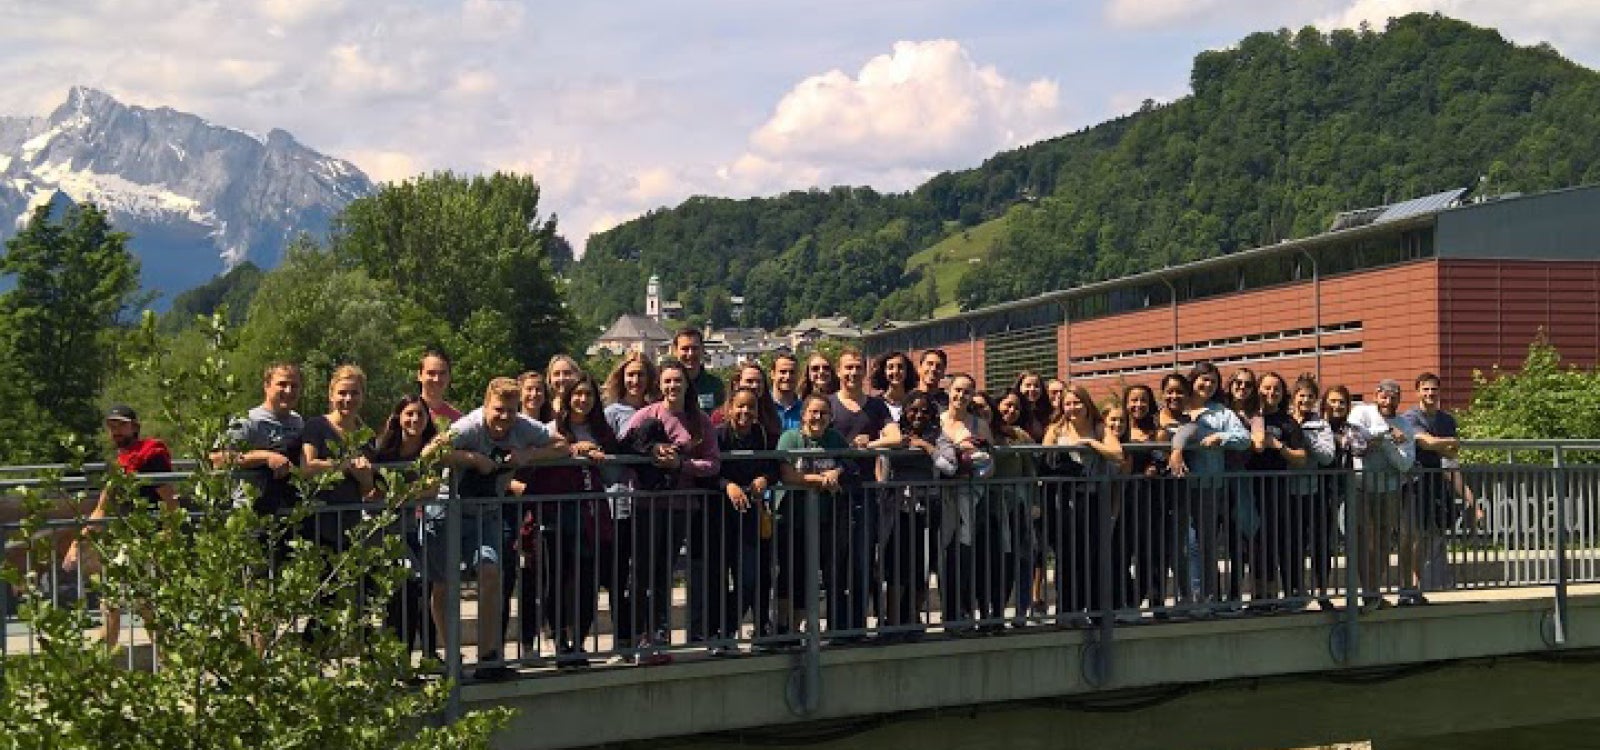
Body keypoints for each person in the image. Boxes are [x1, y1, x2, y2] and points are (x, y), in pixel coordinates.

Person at [435, 377, 567, 680]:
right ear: (485, 406)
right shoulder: (468, 427)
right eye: (498, 410)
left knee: (491, 573)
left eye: (510, 410)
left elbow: (562, 446)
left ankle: (488, 658)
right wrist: (472, 459)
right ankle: (451, 656)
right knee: (443, 585)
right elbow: (431, 453)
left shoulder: (522, 426)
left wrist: (528, 455)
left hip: (487, 514)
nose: (504, 417)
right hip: (450, 511)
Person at [622, 361, 721, 663]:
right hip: (646, 504)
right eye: (667, 381)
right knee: (641, 572)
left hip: (680, 506)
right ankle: (637, 635)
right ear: (659, 385)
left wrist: (682, 465)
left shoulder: (699, 420)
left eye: (678, 380)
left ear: (687, 385)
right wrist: (650, 454)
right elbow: (623, 448)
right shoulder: (646, 415)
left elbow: (712, 463)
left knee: (664, 572)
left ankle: (659, 635)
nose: (672, 386)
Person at [63, 405, 178, 647]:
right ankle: (163, 660)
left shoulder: (150, 457)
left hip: (149, 540)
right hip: (132, 541)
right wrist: (76, 544)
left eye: (121, 425)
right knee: (137, 606)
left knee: (118, 602)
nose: (115, 431)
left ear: (135, 427)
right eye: (112, 426)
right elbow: (100, 510)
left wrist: (168, 538)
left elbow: (170, 502)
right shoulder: (120, 463)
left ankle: (108, 658)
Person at [534, 373, 619, 667]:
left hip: (592, 515)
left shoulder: (602, 432)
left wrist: (599, 456)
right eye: (577, 394)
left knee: (587, 582)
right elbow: (536, 462)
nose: (583, 400)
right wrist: (571, 450)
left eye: (589, 395)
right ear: (567, 398)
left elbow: (614, 474)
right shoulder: (550, 429)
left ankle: (579, 642)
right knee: (558, 580)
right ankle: (560, 642)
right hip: (557, 515)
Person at [1166, 363, 1250, 613]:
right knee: (1181, 546)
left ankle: (1206, 598)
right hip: (1176, 489)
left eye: (1213, 381)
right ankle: (1189, 597)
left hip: (1208, 487)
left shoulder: (1221, 413)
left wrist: (1221, 437)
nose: (1208, 385)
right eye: (1204, 379)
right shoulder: (1178, 406)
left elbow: (1244, 438)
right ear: (1192, 380)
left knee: (1202, 544)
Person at [1042, 385, 1123, 622]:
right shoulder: (1056, 429)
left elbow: (1117, 453)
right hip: (1064, 501)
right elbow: (1043, 457)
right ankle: (1068, 611)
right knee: (1067, 558)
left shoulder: (1099, 428)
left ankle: (1096, 610)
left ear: (1087, 404)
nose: (1072, 407)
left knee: (1094, 556)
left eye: (1077, 402)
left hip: (1093, 499)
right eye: (1068, 403)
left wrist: (1090, 443)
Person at [773, 395, 851, 639]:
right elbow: (788, 475)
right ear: (804, 414)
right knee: (791, 574)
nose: (818, 417)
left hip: (826, 519)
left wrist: (837, 472)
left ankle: (806, 628)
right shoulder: (790, 438)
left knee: (821, 575)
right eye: (813, 412)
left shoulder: (835, 438)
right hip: (792, 518)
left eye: (823, 413)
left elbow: (848, 463)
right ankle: (785, 627)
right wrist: (821, 480)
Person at [369, 395, 441, 654]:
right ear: (398, 417)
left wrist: (399, 494)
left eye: (420, 414)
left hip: (412, 527)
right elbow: (374, 491)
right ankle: (396, 657)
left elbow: (431, 489)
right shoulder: (383, 449)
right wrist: (408, 493)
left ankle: (423, 654)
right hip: (382, 528)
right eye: (409, 413)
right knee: (401, 591)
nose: (415, 419)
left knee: (421, 588)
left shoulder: (432, 449)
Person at [599, 351, 659, 652]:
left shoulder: (656, 409)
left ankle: (645, 633)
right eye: (630, 375)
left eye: (641, 375)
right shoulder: (611, 413)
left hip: (650, 502)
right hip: (620, 501)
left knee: (646, 573)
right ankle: (623, 637)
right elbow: (607, 458)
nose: (635, 380)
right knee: (619, 573)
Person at [713, 388, 781, 652]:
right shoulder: (718, 435)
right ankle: (721, 633)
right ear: (729, 408)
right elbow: (707, 471)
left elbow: (774, 467)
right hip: (720, 517)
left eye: (750, 407)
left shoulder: (763, 436)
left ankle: (746, 630)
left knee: (753, 577)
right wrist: (727, 485)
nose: (745, 412)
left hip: (752, 516)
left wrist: (765, 478)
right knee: (724, 578)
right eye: (740, 406)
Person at [874, 391, 940, 639]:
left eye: (924, 410)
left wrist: (925, 446)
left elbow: (946, 461)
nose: (919, 415)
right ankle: (892, 620)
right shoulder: (894, 435)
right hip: (895, 506)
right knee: (895, 566)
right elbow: (881, 462)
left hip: (926, 507)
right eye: (913, 409)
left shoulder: (936, 436)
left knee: (921, 566)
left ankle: (913, 616)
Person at [1347, 379, 1417, 609]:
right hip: (1360, 487)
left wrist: (1384, 444)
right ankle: (1368, 592)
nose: (1388, 401)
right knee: (1364, 542)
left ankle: (1373, 591)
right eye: (1384, 396)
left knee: (1384, 543)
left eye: (1393, 397)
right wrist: (1386, 433)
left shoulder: (1405, 425)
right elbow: (1357, 443)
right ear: (1376, 395)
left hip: (1389, 489)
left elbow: (1405, 463)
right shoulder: (1361, 412)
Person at [932, 372, 995, 630]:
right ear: (949, 391)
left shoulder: (979, 424)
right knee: (944, 557)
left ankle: (965, 612)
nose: (961, 395)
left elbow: (990, 464)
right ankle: (949, 613)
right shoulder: (936, 420)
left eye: (967, 391)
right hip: (940, 496)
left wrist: (974, 465)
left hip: (971, 497)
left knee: (966, 556)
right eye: (957, 390)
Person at [212, 362, 305, 520]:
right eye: (282, 384)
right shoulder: (247, 421)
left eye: (294, 386)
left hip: (288, 513)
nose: (289, 391)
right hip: (250, 512)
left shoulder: (298, 422)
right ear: (267, 386)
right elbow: (217, 459)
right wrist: (265, 457)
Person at [300, 365, 376, 553]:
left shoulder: (366, 435)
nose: (348, 399)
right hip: (316, 522)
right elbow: (307, 466)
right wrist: (345, 465)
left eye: (354, 393)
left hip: (350, 524)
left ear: (362, 396)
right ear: (331, 395)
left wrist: (366, 478)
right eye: (342, 393)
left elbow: (366, 490)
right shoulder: (316, 426)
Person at [1402, 372, 1464, 602]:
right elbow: (1424, 442)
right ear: (1417, 391)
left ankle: (1415, 587)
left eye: (1434, 389)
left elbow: (1451, 454)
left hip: (1437, 482)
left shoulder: (1447, 420)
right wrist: (1443, 443)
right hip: (1412, 482)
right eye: (1425, 389)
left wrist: (1439, 445)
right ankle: (1407, 587)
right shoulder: (1410, 417)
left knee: (1428, 536)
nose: (1430, 393)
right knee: (1412, 535)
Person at [1250, 372, 1308, 611]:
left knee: (1284, 541)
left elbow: (1301, 457)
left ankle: (1294, 594)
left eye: (1276, 389)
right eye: (1266, 388)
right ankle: (1263, 596)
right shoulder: (1250, 417)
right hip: (1251, 489)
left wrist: (1278, 446)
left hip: (1279, 490)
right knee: (1257, 543)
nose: (1271, 393)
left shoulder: (1288, 422)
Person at [1118, 385, 1172, 615]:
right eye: (1133, 400)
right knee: (1122, 552)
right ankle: (1130, 600)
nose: (1138, 405)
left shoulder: (1158, 432)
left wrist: (1155, 468)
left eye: (1143, 400)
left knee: (1152, 553)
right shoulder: (1119, 429)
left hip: (1151, 498)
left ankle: (1157, 602)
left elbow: (1163, 460)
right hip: (1122, 499)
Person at [988, 388, 1038, 628]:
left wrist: (1034, 502)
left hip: (1017, 504)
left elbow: (1031, 470)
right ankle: (994, 612)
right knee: (998, 561)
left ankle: (1021, 610)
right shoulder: (986, 431)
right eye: (1007, 405)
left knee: (1024, 557)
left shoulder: (1020, 435)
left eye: (1016, 407)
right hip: (991, 505)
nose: (1011, 410)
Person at [1292, 376, 1340, 611]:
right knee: (1294, 544)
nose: (1306, 400)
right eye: (1302, 395)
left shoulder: (1321, 425)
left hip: (1315, 492)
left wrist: (1306, 437)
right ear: (1294, 397)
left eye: (1310, 396)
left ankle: (1322, 591)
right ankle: (1297, 591)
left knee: (1321, 543)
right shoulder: (1285, 421)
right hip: (1287, 493)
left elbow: (1327, 456)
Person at [674, 329, 725, 413]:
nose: (690, 353)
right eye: (685, 349)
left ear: (702, 350)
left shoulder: (715, 385)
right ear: (675, 351)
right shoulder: (666, 385)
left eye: (695, 348)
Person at [418, 348, 463, 428]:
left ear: (449, 377)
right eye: (431, 373)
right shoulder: (407, 414)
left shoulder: (458, 420)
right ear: (419, 375)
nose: (437, 379)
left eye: (442, 373)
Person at [870, 351, 917, 423]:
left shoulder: (915, 402)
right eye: (890, 367)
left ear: (907, 371)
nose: (896, 371)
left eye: (900, 367)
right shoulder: (875, 405)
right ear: (883, 372)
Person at [1013, 371, 1051, 442]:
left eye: (1036, 386)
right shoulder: (1012, 410)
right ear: (1019, 387)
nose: (1032, 389)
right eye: (1028, 385)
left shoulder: (1047, 412)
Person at [770, 354, 805, 431]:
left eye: (792, 372)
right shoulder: (763, 406)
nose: (788, 376)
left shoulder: (805, 409)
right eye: (783, 372)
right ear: (772, 374)